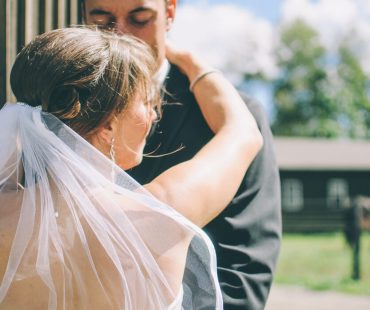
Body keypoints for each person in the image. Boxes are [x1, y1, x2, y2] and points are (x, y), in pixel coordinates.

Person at [0, 27, 262, 309]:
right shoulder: (159, 212)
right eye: (145, 102)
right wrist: (187, 60)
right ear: (109, 125)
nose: (152, 114)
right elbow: (243, 131)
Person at [81, 0, 282, 309]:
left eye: (139, 18)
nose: (119, 33)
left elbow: (243, 268)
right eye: (102, 18)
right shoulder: (60, 107)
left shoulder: (230, 114)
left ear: (169, 12)